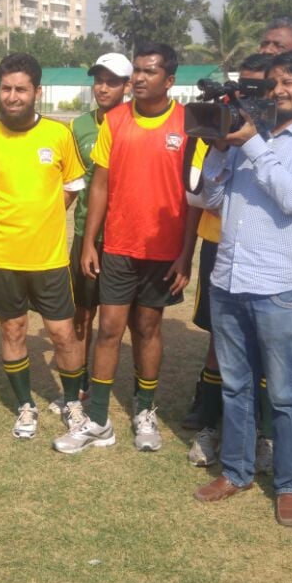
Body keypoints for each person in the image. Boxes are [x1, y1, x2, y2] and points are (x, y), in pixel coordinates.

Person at [192, 51, 292, 528]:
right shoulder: (241, 139)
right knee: (235, 387)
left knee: (282, 392)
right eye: (272, 83)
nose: (277, 90)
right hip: (229, 280)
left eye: (289, 82)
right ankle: (236, 472)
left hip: (279, 286)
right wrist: (218, 147)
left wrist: (252, 144)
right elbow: (206, 199)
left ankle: (291, 482)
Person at [57, 43, 192, 454]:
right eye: (137, 70)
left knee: (147, 329)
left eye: (150, 71)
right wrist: (89, 244)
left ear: (169, 80)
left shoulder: (188, 124)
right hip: (116, 246)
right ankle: (98, 420)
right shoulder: (114, 121)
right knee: (109, 330)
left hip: (164, 252)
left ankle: (144, 411)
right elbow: (99, 185)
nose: (139, 78)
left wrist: (186, 254)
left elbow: (196, 195)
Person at [0, 52, 87, 441]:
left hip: (49, 259)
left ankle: (72, 403)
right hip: (2, 258)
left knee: (63, 334)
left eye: (20, 89)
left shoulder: (58, 134)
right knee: (14, 330)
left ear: (36, 91)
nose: (12, 96)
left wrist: (45, 218)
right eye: (5, 88)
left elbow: (71, 188)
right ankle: (25, 406)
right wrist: (12, 222)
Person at [182, 52, 277, 469]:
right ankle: (208, 414)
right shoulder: (216, 124)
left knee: (265, 342)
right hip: (219, 243)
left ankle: (258, 428)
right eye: (241, 89)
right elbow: (196, 193)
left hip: (268, 248)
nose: (245, 101)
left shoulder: (288, 129)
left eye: (256, 91)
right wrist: (217, 144)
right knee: (220, 339)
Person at [46, 52, 132, 423]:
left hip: (126, 237)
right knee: (82, 313)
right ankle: (79, 386)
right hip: (86, 236)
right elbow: (71, 185)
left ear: (127, 86)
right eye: (99, 79)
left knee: (120, 322)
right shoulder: (78, 127)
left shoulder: (134, 124)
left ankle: (104, 384)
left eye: (112, 80)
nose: (103, 87)